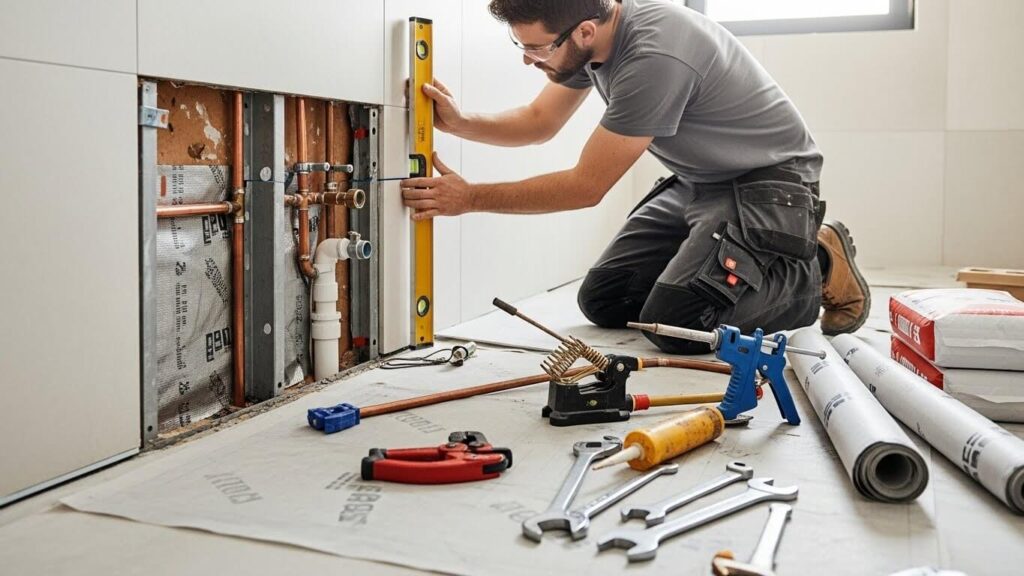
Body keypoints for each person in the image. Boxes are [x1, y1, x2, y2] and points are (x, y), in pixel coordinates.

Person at [400, 0, 870, 354]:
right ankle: (722, 260)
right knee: (605, 301)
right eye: (521, 46)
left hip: (767, 184)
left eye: (536, 48)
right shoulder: (590, 40)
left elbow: (585, 187)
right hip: (700, 181)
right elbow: (539, 121)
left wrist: (470, 198)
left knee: (680, 326)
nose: (528, 59)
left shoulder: (653, 57)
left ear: (584, 31)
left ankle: (817, 263)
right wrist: (460, 122)